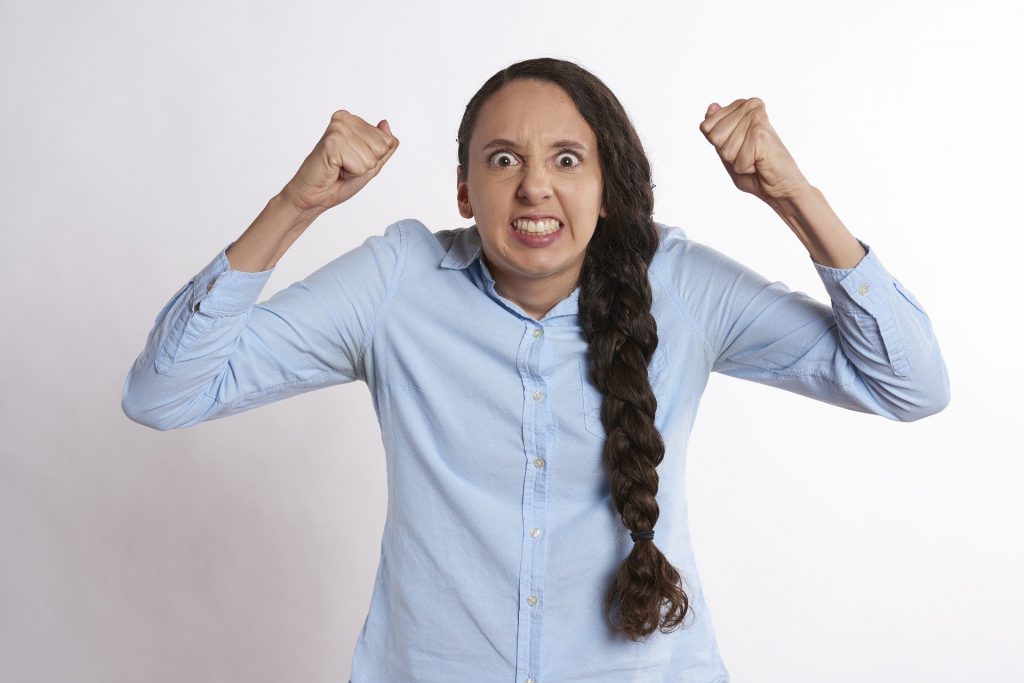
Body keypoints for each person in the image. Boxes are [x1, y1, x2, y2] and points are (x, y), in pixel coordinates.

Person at [122, 57, 951, 682]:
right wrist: (294, 206)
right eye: (502, 159)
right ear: (462, 189)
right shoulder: (398, 282)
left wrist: (793, 196)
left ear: (608, 184)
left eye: (565, 158)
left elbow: (908, 384)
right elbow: (165, 393)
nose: (533, 190)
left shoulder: (683, 286)